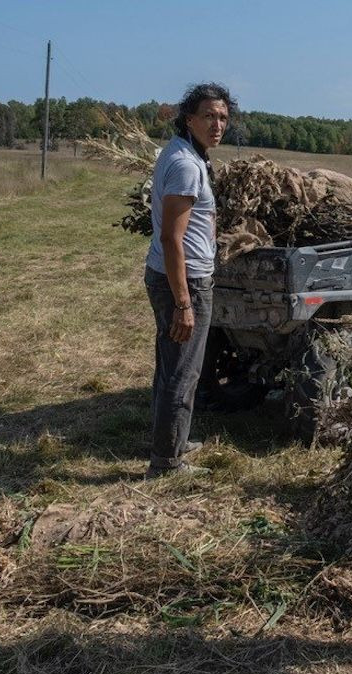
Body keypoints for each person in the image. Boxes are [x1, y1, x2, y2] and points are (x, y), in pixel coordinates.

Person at [144, 83, 234, 478]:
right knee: (183, 371)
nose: (217, 124)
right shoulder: (185, 164)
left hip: (173, 275)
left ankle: (172, 440)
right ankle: (166, 463)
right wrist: (183, 302)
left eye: (223, 117)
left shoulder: (185, 154)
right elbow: (171, 237)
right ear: (189, 119)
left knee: (171, 364)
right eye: (209, 116)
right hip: (185, 281)